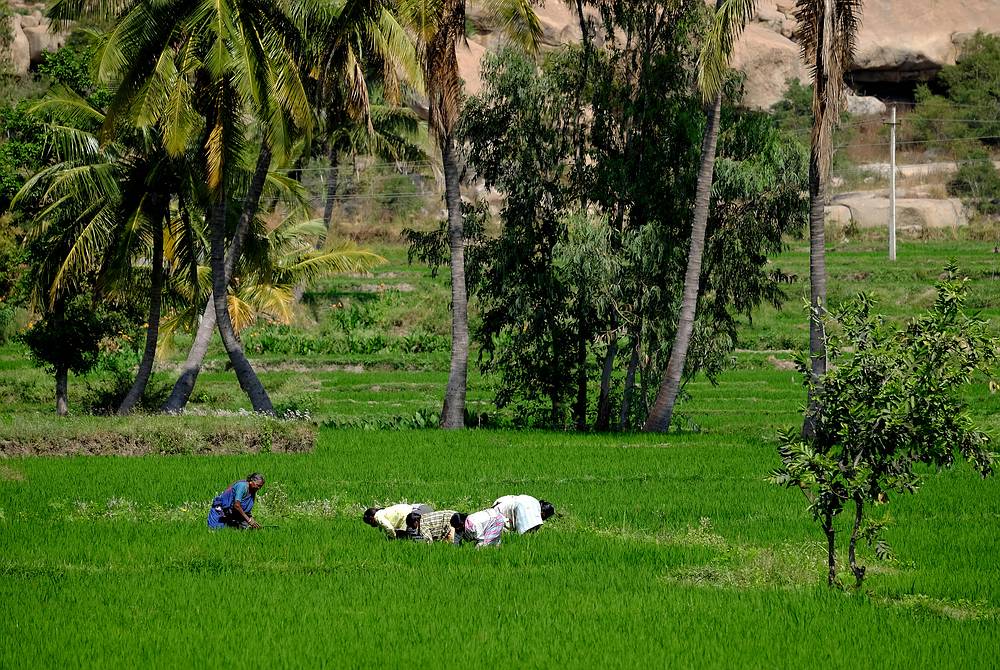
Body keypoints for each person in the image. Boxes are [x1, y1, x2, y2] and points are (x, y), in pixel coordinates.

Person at [363, 503, 435, 538]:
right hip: (424, 508)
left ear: (371, 519)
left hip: (417, 512)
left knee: (413, 534)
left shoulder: (377, 516)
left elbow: (389, 528)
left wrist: (393, 538)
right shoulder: (385, 511)